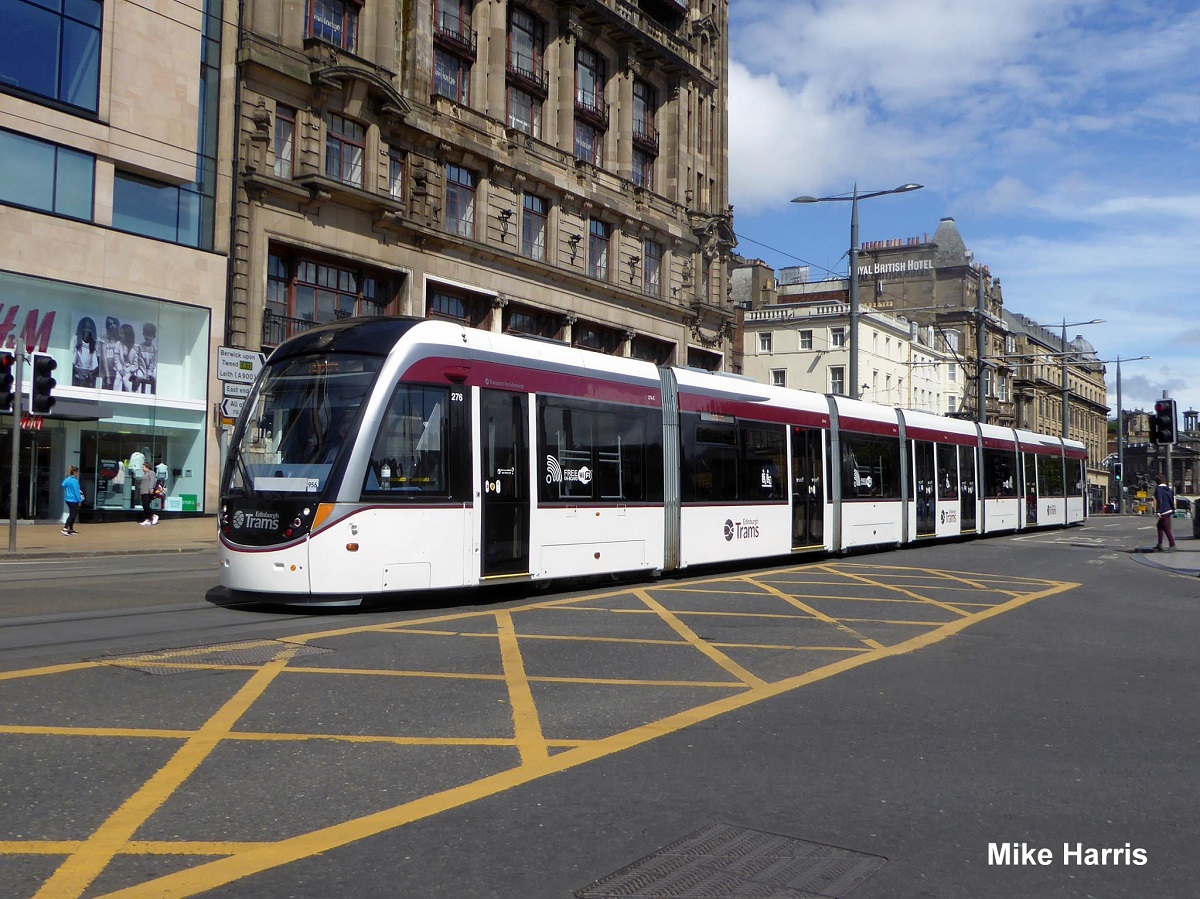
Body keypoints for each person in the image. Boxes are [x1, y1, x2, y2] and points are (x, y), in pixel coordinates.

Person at [1154, 475, 1176, 551]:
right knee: (1159, 526)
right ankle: (1159, 544)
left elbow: (1160, 500)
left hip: (1163, 511)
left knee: (1166, 528)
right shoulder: (1168, 489)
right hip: (1169, 509)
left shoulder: (1158, 489)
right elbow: (1172, 498)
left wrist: (1158, 511)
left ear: (1157, 482)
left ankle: (1172, 545)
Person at [61, 466, 83, 536]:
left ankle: (71, 529)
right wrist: (79, 500)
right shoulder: (75, 481)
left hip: (67, 499)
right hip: (73, 500)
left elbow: (63, 485)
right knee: (72, 515)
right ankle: (65, 528)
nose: (78, 474)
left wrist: (68, 489)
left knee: (73, 514)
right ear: (75, 472)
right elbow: (77, 491)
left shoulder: (68, 479)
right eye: (78, 472)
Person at [138, 462, 159, 526]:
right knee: (144, 506)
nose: (142, 468)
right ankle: (148, 519)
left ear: (147, 467)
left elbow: (152, 481)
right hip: (143, 491)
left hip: (148, 491)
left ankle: (154, 515)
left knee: (145, 505)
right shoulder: (145, 474)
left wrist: (151, 488)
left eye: (143, 467)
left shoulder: (151, 473)